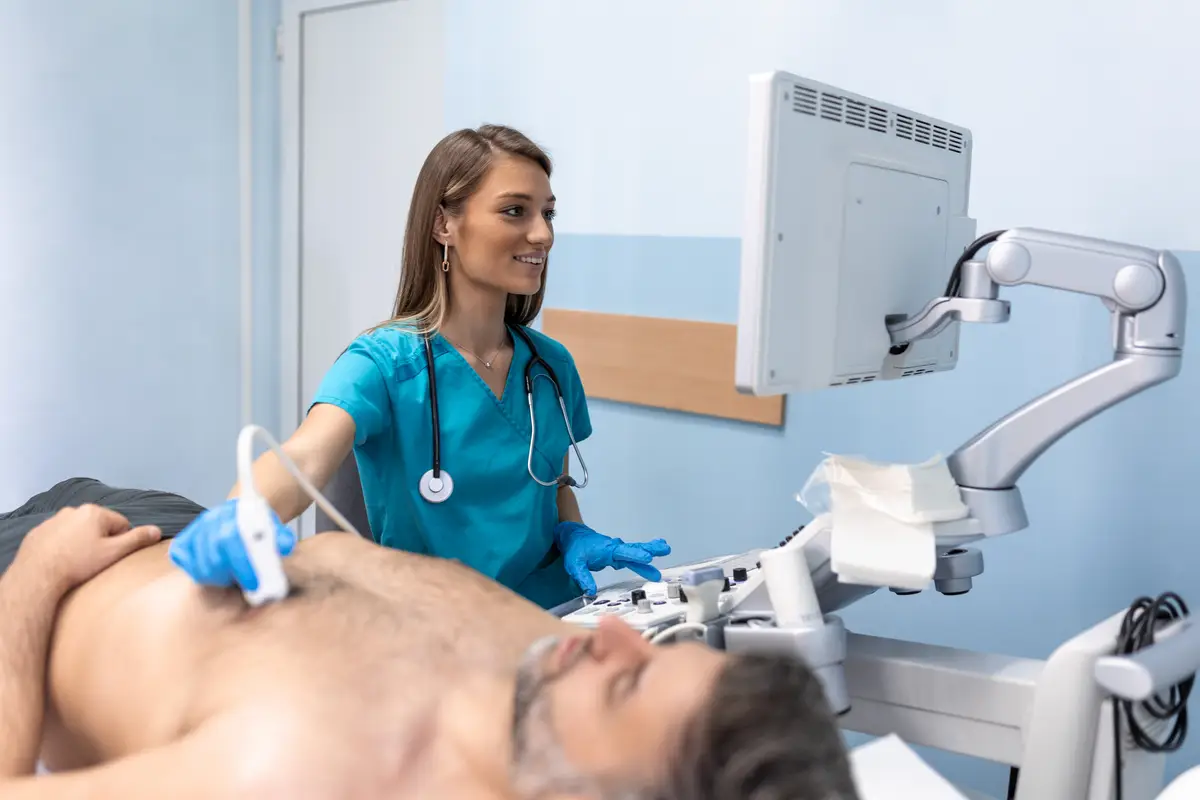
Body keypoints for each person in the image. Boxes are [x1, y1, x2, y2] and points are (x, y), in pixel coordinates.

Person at [0, 478, 860, 799]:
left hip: (31, 603)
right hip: (159, 524)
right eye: (655, 656)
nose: (614, 636)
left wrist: (39, 573)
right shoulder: (543, 681)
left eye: (628, 685)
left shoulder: (298, 776)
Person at [181, 123, 671, 611]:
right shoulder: (382, 363)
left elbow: (553, 488)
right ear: (444, 225)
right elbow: (304, 457)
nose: (542, 234)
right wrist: (242, 516)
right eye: (515, 211)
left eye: (548, 213)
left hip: (548, 616)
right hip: (431, 628)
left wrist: (572, 532)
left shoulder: (549, 365)